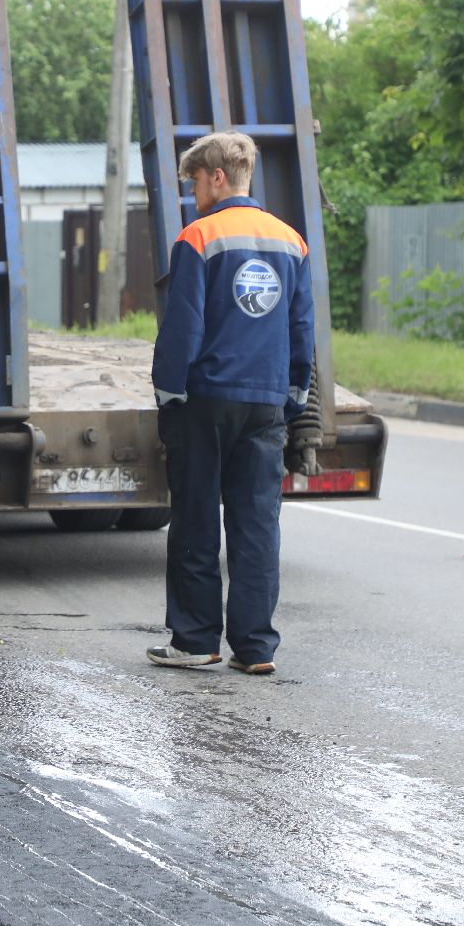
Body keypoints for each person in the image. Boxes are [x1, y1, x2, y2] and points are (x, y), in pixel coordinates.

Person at [146, 131, 314, 677]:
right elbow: (301, 328)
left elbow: (182, 328)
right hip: (266, 402)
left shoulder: (198, 237)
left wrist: (168, 395)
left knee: (196, 519)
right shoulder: (291, 241)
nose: (194, 193)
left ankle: (195, 640)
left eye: (196, 181)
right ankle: (256, 646)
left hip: (206, 400)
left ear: (218, 177)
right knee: (257, 524)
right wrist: (294, 395)